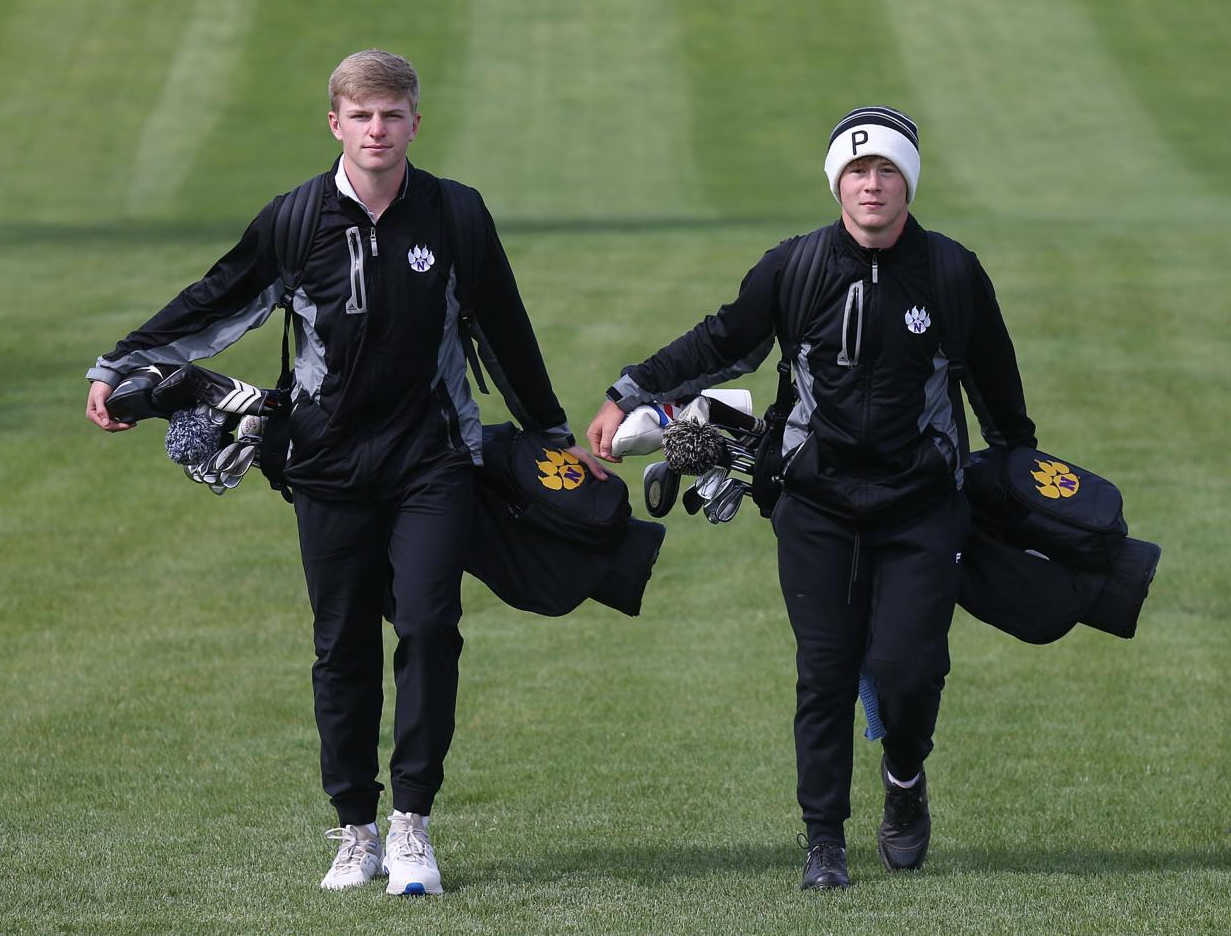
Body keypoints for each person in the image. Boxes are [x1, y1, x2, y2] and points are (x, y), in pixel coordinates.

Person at [86, 49, 604, 896]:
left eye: (392, 114)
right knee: (341, 646)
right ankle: (356, 828)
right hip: (324, 462)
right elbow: (218, 298)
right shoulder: (295, 221)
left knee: (432, 623)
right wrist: (118, 364)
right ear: (336, 123)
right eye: (361, 115)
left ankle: (412, 823)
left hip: (433, 459)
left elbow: (505, 327)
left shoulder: (456, 215)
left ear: (414, 123)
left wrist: (551, 433)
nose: (377, 129)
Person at [587, 106, 1036, 889]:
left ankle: (903, 778)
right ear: (837, 181)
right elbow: (722, 339)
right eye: (858, 171)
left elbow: (998, 388)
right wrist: (630, 392)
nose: (872, 184)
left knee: (908, 668)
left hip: (923, 503)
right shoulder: (793, 267)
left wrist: (1025, 476)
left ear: (908, 182)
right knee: (824, 669)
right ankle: (823, 839)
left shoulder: (953, 272)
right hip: (816, 500)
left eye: (887, 170)